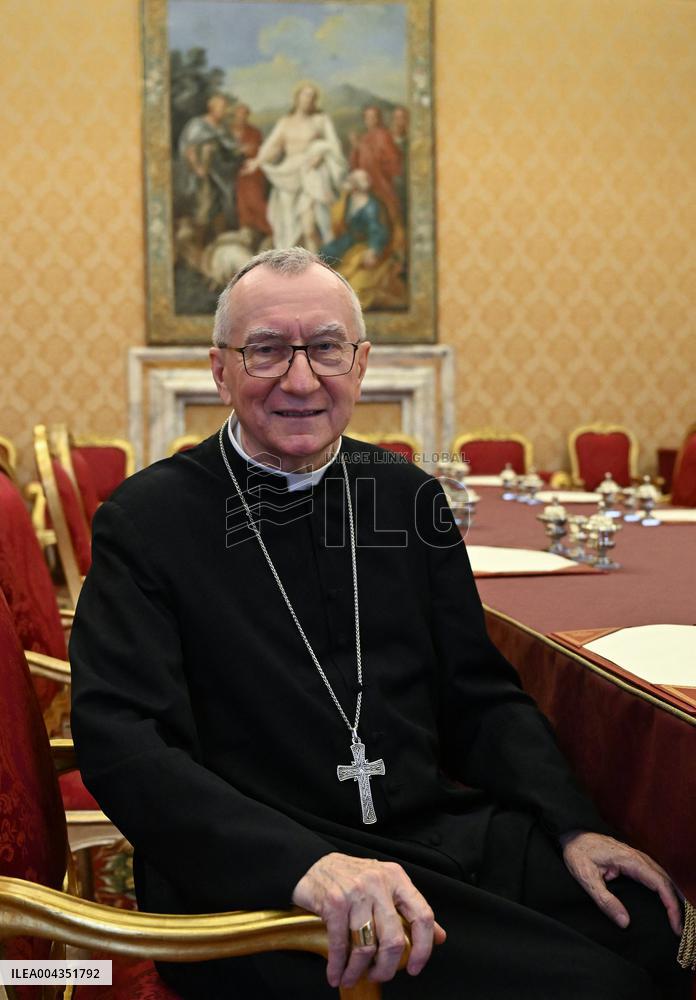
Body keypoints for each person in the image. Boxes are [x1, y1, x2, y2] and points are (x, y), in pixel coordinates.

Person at [70, 248, 688, 1000]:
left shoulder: (406, 498)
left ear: (359, 364)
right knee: (594, 988)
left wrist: (571, 825)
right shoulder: (147, 519)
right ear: (219, 368)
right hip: (264, 873)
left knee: (660, 932)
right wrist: (303, 864)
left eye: (326, 348)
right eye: (266, 350)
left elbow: (478, 694)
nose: (301, 380)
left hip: (435, 832)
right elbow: (123, 740)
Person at [243, 82, 346, 251]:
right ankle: (293, 271)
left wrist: (321, 154)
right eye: (305, 95)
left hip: (311, 175)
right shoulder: (285, 122)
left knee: (310, 229)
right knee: (289, 228)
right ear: (297, 98)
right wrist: (257, 162)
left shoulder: (320, 120)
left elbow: (334, 146)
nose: (308, 99)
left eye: (312, 96)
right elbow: (273, 147)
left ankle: (316, 268)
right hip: (288, 176)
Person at [320, 169, 407, 311]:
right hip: (348, 242)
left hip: (365, 246)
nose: (366, 182)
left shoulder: (372, 205)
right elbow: (337, 216)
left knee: (355, 283)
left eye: (365, 179)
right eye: (360, 179)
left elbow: (378, 230)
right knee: (324, 257)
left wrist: (373, 250)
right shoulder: (348, 200)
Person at [174, 93, 241, 242]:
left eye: (225, 107)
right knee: (204, 207)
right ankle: (199, 240)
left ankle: (217, 240)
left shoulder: (222, 127)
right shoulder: (198, 124)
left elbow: (230, 148)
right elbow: (190, 150)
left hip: (220, 175)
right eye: (222, 107)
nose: (224, 111)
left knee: (221, 208)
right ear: (212, 108)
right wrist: (198, 169)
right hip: (202, 176)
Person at [349, 105, 403, 228]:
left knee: (387, 211)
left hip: (380, 181)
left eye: (374, 117)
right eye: (368, 117)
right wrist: (355, 148)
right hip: (364, 181)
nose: (371, 120)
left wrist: (360, 147)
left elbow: (392, 160)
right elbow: (355, 164)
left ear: (379, 119)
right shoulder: (365, 137)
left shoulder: (384, 136)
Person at [230, 103, 271, 239]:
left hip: (251, 171)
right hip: (232, 170)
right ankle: (246, 228)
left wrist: (244, 150)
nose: (241, 117)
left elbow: (256, 150)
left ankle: (267, 228)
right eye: (239, 114)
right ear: (234, 115)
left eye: (244, 115)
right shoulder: (227, 131)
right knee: (240, 202)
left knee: (254, 200)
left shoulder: (254, 131)